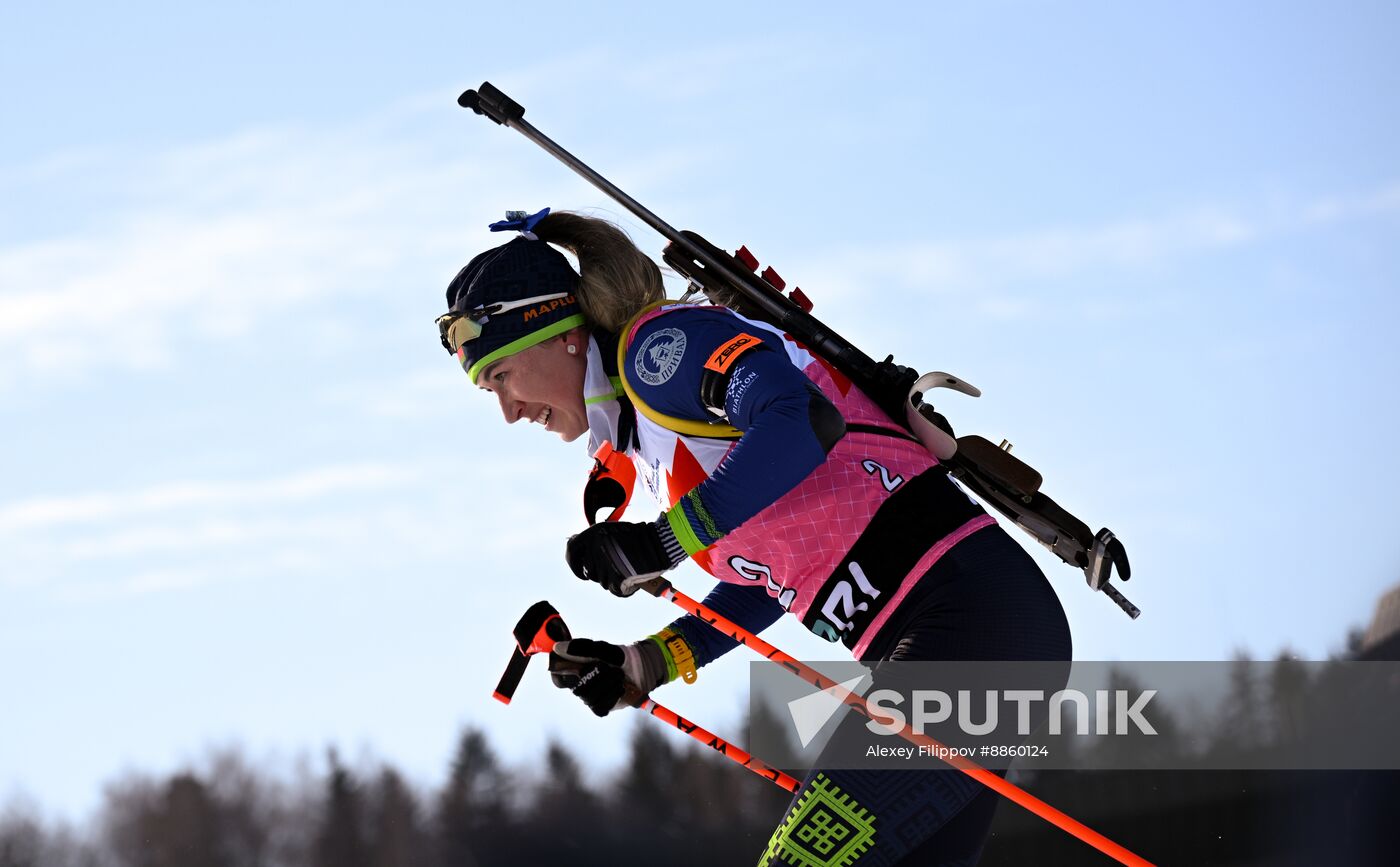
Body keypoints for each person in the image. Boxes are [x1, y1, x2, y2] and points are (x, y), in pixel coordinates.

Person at [437, 208, 1072, 866]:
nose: (508, 411)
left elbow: (799, 418)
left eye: (502, 376)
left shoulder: (658, 353)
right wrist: (646, 662)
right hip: (975, 634)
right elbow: (775, 580)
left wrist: (663, 543)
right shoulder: (651, 438)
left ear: (558, 332)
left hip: (971, 623)